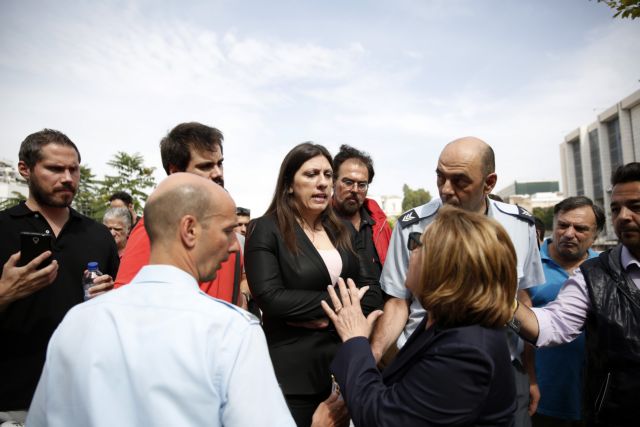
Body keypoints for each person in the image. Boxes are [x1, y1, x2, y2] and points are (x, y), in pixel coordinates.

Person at [26, 173, 297, 426]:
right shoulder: (232, 331)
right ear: (190, 230)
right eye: (227, 231)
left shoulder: (78, 321)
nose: (233, 246)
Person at [370, 136, 544, 426]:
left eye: (460, 181)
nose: (446, 189)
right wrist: (373, 355)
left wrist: (530, 374)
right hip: (425, 364)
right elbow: (399, 301)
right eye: (440, 177)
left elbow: (522, 300)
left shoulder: (519, 225)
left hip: (503, 367)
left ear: (489, 183)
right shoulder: (412, 225)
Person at [323, 206, 516, 426]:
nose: (411, 250)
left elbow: (383, 420)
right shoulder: (445, 319)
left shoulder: (465, 351)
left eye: (418, 243)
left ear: (442, 266)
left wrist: (354, 338)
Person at [245, 142, 381, 427]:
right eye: (311, 174)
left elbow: (371, 290)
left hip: (344, 368)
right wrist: (344, 310)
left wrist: (317, 312)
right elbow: (271, 298)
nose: (322, 183)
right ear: (289, 184)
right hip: (293, 375)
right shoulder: (265, 228)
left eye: (328, 175)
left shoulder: (344, 229)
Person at [0, 129, 118, 424]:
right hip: (13, 402)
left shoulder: (98, 235)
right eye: (55, 168)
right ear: (25, 169)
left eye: (73, 169)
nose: (67, 178)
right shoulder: (3, 228)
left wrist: (109, 299)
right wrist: (5, 292)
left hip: (81, 398)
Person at [512, 162, 640, 427]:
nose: (624, 216)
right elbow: (551, 325)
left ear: (595, 235)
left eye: (635, 207)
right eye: (616, 209)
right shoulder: (593, 275)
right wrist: (497, 300)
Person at [114, 122, 243, 305]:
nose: (217, 173)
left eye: (220, 163)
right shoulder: (156, 228)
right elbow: (127, 302)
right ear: (175, 171)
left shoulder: (228, 231)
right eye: (205, 166)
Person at [528, 197, 603, 427]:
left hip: (596, 400)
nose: (569, 234)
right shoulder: (527, 266)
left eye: (580, 228)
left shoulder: (606, 268)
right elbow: (516, 330)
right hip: (540, 399)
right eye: (563, 225)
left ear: (595, 235)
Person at [332, 144, 390, 304]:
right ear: (333, 181)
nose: (355, 190)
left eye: (362, 185)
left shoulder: (381, 225)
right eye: (348, 182)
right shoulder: (317, 224)